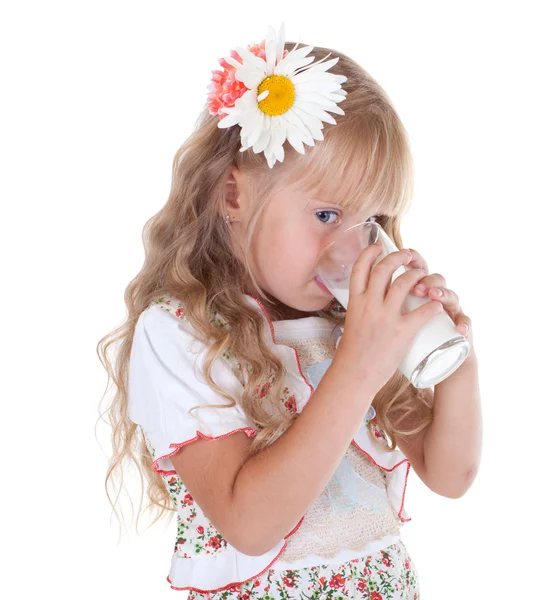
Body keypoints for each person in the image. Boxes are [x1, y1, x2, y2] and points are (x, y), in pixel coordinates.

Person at [98, 23, 482, 600]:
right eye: (327, 215)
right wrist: (357, 367)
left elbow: (452, 475)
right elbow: (250, 524)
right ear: (234, 196)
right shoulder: (182, 332)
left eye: (369, 220)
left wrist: (456, 355)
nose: (350, 247)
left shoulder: (348, 324)